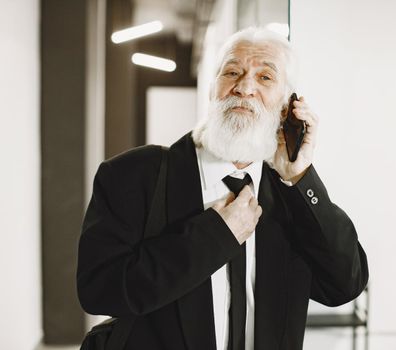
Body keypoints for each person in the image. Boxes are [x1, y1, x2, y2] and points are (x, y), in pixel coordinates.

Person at [77, 27, 369, 350]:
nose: (244, 87)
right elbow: (98, 289)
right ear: (212, 90)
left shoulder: (290, 196)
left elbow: (346, 283)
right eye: (232, 72)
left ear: (287, 108)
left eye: (265, 78)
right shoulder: (134, 175)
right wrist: (215, 236)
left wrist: (301, 177)